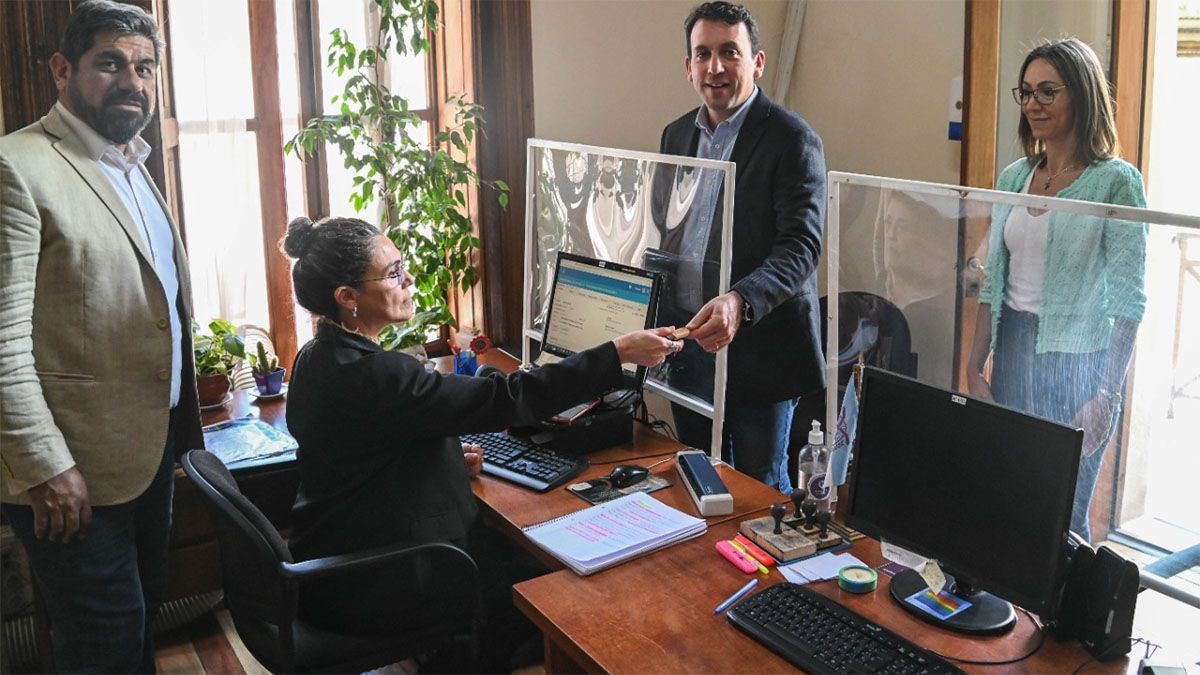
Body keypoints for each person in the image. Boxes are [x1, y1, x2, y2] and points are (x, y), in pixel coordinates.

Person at [279, 216, 680, 670]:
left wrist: (446, 458)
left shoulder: (317, 357)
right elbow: (506, 397)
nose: (409, 278)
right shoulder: (376, 375)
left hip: (342, 561)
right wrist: (617, 353)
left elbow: (366, 452)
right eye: (393, 273)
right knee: (554, 585)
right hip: (378, 579)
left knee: (522, 561)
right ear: (347, 298)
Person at [0, 1, 204, 671]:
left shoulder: (130, 159)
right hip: (71, 475)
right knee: (107, 651)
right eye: (110, 63)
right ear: (62, 69)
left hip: (143, 458)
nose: (133, 82)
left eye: (145, 67)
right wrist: (46, 467)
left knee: (135, 632)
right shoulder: (18, 167)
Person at [966, 37, 1147, 541]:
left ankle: (1061, 622)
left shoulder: (1116, 182)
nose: (1033, 104)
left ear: (1082, 96)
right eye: (1025, 92)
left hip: (1078, 364)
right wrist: (974, 365)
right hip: (1014, 352)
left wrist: (1107, 394)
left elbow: (1130, 300)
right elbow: (992, 283)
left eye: (1048, 91)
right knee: (1005, 498)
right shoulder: (1014, 175)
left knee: (1062, 518)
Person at [660, 1, 826, 493]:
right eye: (703, 54)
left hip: (762, 352)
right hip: (688, 346)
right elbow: (665, 231)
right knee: (695, 479)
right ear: (688, 67)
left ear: (757, 62)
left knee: (756, 492)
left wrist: (740, 301)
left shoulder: (793, 139)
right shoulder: (674, 135)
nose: (716, 67)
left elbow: (801, 246)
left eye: (729, 52)